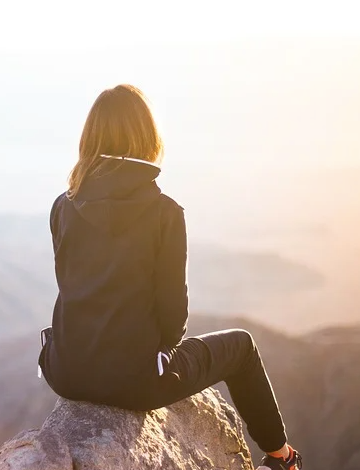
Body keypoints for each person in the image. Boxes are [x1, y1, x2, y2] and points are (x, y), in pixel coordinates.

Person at [37, 84, 302, 470]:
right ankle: (282, 458)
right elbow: (173, 316)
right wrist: (154, 356)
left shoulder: (63, 205)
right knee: (242, 347)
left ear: (89, 139)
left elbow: (71, 285)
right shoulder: (165, 213)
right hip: (136, 382)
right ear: (147, 138)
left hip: (65, 371)